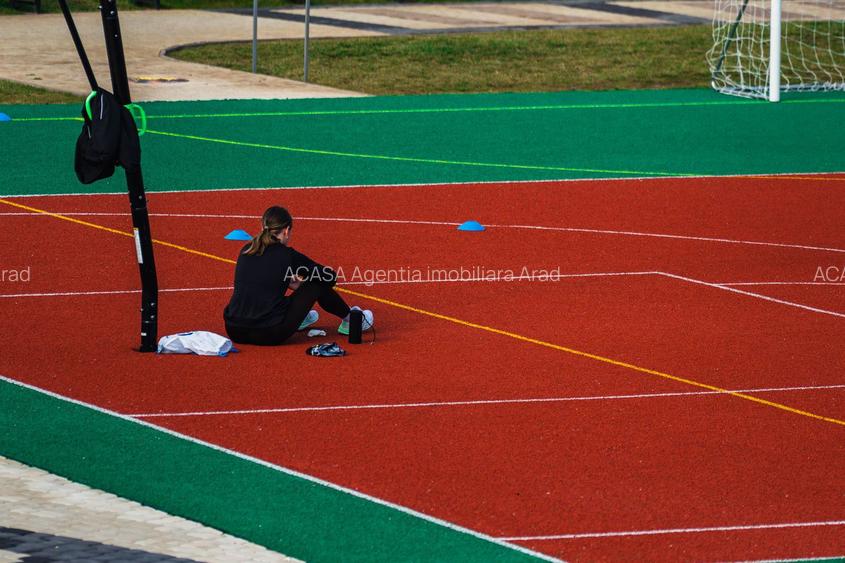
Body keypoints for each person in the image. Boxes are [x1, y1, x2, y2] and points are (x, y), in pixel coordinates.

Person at [223, 206, 373, 345]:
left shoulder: (246, 250)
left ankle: (301, 318)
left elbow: (259, 279)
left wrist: (286, 279)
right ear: (286, 230)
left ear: (262, 227)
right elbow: (329, 277)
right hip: (269, 333)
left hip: (234, 330)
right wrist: (304, 283)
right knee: (317, 282)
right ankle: (351, 320)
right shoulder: (286, 255)